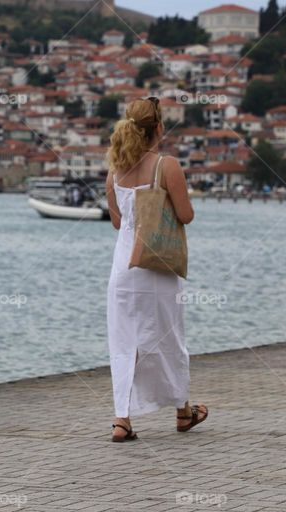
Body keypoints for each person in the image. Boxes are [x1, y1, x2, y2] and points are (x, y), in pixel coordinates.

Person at [104, 97, 208, 442]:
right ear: (159, 128)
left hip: (123, 269)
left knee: (123, 343)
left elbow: (119, 223)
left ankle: (122, 420)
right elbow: (186, 215)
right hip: (158, 266)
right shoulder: (168, 165)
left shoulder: (115, 170)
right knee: (168, 338)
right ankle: (182, 412)